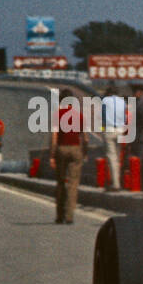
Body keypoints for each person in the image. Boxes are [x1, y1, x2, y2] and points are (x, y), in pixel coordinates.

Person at [49, 88, 87, 223]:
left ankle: (59, 216)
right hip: (76, 149)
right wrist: (84, 152)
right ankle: (69, 216)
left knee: (60, 183)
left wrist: (52, 155)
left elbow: (54, 136)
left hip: (61, 149)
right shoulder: (79, 115)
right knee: (73, 184)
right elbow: (85, 138)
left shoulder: (57, 115)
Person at [98, 85, 126, 191]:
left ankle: (115, 184)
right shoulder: (122, 102)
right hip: (120, 130)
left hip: (109, 130)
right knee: (118, 157)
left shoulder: (105, 100)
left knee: (111, 157)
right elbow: (124, 117)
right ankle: (119, 181)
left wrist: (102, 129)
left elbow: (102, 116)